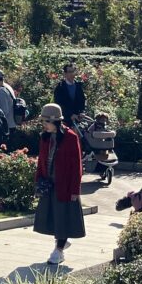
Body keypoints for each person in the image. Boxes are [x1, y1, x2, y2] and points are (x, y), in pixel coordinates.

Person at [33, 103, 85, 264]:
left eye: (46, 121)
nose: (44, 125)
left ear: (55, 121)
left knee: (63, 217)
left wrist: (75, 190)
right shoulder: (45, 137)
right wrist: (38, 181)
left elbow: (77, 166)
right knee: (53, 217)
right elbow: (41, 161)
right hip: (48, 184)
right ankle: (61, 243)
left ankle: (58, 250)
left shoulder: (71, 137)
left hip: (65, 185)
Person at [52, 62, 86, 127]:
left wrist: (82, 112)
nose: (72, 74)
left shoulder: (78, 86)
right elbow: (59, 104)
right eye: (70, 72)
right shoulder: (60, 87)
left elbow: (82, 101)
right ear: (65, 74)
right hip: (64, 120)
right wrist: (70, 115)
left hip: (77, 119)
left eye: (73, 71)